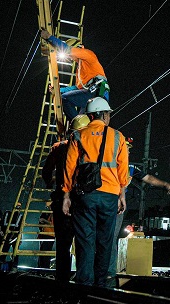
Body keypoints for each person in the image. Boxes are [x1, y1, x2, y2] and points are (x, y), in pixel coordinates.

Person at [62, 97, 129, 288]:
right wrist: (121, 194)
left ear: (90, 116)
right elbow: (122, 169)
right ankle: (103, 285)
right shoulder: (118, 137)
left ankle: (84, 284)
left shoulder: (79, 136)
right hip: (109, 195)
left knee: (85, 241)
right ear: (105, 115)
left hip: (85, 195)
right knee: (106, 242)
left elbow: (69, 168)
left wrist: (66, 195)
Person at [109, 137, 170, 276]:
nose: (127, 152)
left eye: (128, 150)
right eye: (126, 149)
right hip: (110, 203)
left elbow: (147, 178)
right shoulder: (110, 165)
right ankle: (106, 273)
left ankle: (105, 271)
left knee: (109, 238)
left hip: (115, 206)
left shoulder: (129, 168)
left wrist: (166, 184)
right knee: (107, 238)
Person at [42, 113, 91, 283]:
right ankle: (83, 281)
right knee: (84, 243)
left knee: (63, 245)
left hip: (61, 199)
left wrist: (51, 182)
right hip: (84, 202)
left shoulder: (58, 147)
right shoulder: (91, 145)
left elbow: (46, 171)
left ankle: (62, 282)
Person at [40, 29, 110, 125]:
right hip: (93, 94)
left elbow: (67, 49)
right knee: (86, 122)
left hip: (96, 92)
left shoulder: (87, 54)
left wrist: (49, 37)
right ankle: (79, 130)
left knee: (65, 99)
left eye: (70, 55)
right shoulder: (80, 68)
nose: (70, 57)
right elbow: (77, 88)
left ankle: (77, 127)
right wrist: (58, 90)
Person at [38, 202, 55, 269]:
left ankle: (45, 269)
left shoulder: (55, 213)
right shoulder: (45, 213)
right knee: (41, 252)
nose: (49, 208)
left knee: (46, 252)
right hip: (43, 234)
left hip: (50, 235)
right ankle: (40, 268)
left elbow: (53, 224)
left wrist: (44, 220)